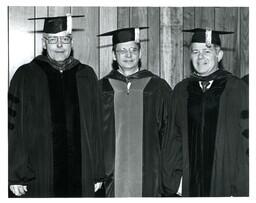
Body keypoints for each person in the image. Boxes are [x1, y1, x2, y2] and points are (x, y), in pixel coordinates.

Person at [8, 14, 104, 197]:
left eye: (65, 39)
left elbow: (96, 128)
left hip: (82, 172)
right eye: (53, 40)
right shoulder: (26, 76)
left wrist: (98, 172)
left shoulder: (86, 76)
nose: (60, 45)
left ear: (71, 43)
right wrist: (15, 174)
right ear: (44, 43)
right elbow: (13, 128)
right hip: (39, 171)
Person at [98, 27, 180, 197]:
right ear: (114, 55)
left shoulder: (158, 88)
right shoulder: (101, 88)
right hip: (110, 177)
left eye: (133, 50)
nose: (128, 55)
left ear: (140, 53)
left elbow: (171, 135)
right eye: (122, 50)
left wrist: (171, 176)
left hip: (151, 175)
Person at [169, 28, 249, 197]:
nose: (200, 57)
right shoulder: (182, 90)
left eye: (207, 51)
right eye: (195, 51)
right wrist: (176, 180)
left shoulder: (237, 89)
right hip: (189, 182)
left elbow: (246, 142)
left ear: (219, 55)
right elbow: (173, 137)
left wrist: (241, 185)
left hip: (226, 181)